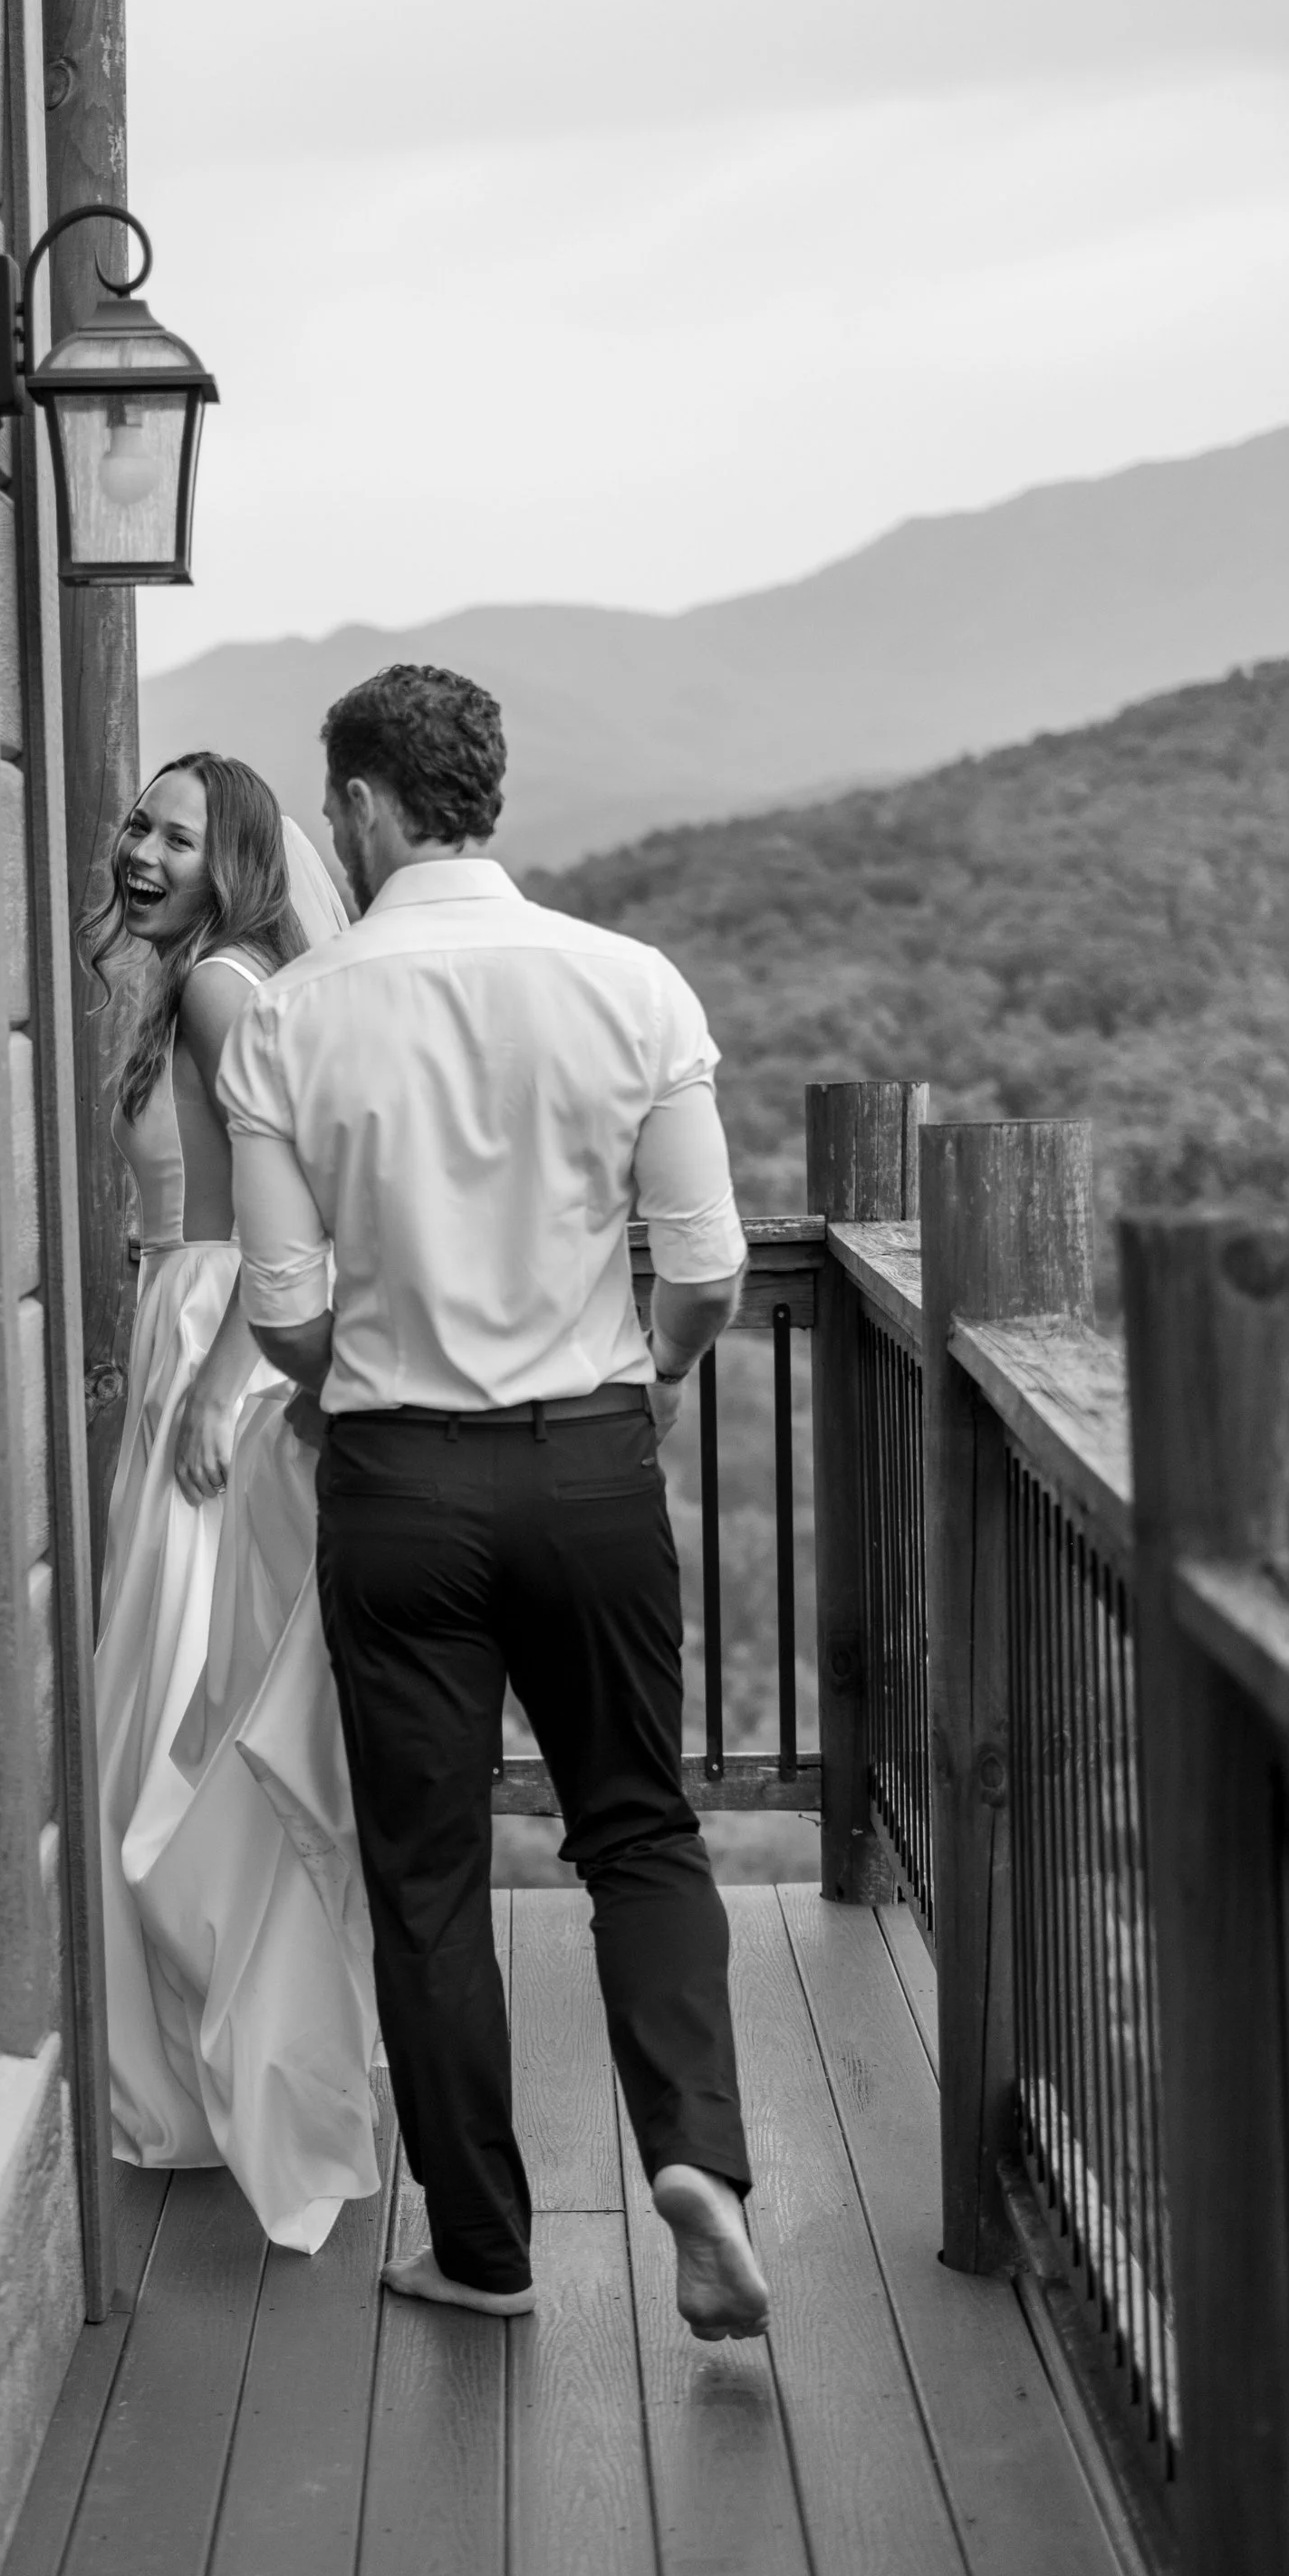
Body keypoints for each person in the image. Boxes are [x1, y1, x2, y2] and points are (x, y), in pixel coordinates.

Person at [216, 662, 772, 2338]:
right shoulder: (633, 984)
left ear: (369, 809)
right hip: (591, 1463)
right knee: (640, 1826)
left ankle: (484, 2247)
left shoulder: (293, 1017)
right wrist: (645, 1374)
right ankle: (696, 2160)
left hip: (398, 1482)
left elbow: (282, 1309)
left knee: (432, 1875)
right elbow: (711, 1266)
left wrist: (361, 1397)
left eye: (334, 809)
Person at [91, 752, 379, 2253]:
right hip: (183, 1336)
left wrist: (212, 1380)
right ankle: (214, 2081)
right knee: (171, 1718)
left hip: (228, 1363)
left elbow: (303, 1196)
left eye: (177, 833)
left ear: (240, 859)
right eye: (137, 822)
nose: (141, 847)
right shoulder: (185, 979)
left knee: (193, 1730)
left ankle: (252, 2079)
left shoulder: (221, 994)